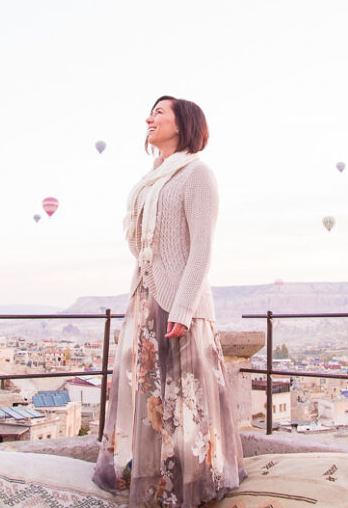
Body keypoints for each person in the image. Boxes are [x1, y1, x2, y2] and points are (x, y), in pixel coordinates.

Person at [93, 95, 245, 508]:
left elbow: (201, 251)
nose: (149, 118)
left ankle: (193, 483)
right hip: (144, 295)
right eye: (151, 112)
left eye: (159, 112)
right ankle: (151, 478)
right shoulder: (151, 180)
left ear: (183, 122)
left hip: (181, 302)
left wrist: (182, 309)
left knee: (185, 395)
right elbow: (144, 244)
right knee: (147, 392)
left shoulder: (197, 174)